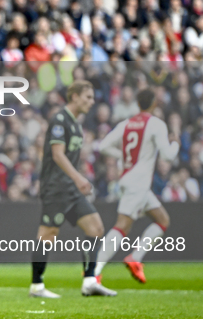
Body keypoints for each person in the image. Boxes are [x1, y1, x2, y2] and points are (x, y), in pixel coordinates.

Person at [30, 80, 117, 298]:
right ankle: (36, 285)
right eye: (88, 97)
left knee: (96, 228)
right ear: (75, 96)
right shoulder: (60, 120)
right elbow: (58, 154)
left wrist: (77, 179)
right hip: (56, 187)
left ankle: (89, 281)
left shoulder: (76, 124)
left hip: (69, 187)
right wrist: (78, 177)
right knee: (48, 234)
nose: (91, 102)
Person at [95, 89, 180, 283]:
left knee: (162, 220)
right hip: (138, 182)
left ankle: (135, 258)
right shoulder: (156, 124)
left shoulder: (126, 124)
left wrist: (124, 157)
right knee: (122, 225)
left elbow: (103, 146)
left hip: (128, 178)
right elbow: (168, 156)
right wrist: (174, 144)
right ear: (154, 103)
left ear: (138, 103)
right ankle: (95, 270)